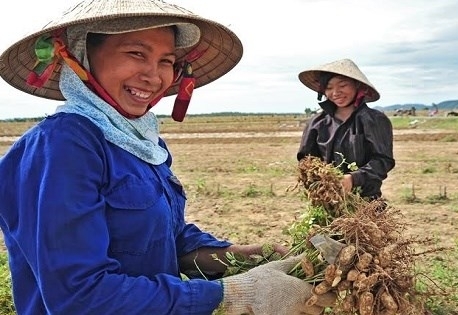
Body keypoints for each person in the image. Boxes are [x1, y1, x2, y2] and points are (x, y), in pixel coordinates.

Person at [0, 0, 333, 314]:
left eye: (166, 61)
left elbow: (166, 240)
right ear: (81, 57)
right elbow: (79, 296)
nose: (154, 75)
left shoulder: (140, 142)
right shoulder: (63, 146)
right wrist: (232, 294)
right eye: (136, 53)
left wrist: (244, 257)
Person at [297, 58, 395, 201]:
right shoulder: (317, 123)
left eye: (342, 85)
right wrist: (320, 183)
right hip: (327, 202)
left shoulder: (374, 120)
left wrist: (353, 179)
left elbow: (383, 161)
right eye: (329, 88)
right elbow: (306, 161)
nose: (335, 92)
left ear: (358, 86)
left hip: (366, 204)